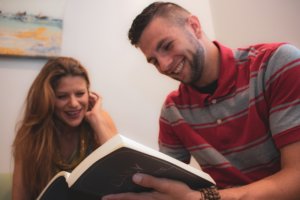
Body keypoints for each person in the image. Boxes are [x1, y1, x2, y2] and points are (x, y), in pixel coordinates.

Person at [102, 2, 300, 200]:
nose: (164, 65)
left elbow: (296, 178)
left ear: (195, 26)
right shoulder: (172, 111)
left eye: (167, 46)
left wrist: (203, 198)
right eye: (154, 61)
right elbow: (165, 185)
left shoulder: (276, 64)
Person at [12, 57, 117, 200]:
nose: (74, 103)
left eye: (80, 94)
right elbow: (20, 196)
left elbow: (122, 173)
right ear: (47, 98)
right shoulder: (31, 134)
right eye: (62, 96)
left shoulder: (100, 119)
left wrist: (96, 121)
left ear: (89, 94)